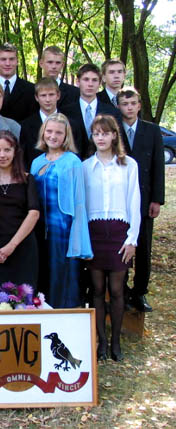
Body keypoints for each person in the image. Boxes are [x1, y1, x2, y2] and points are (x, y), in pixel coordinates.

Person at [82, 114, 140, 362]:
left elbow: (134, 201)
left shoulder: (129, 165)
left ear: (114, 135)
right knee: (96, 289)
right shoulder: (85, 167)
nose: (101, 138)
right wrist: (83, 240)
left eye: (105, 133)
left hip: (119, 232)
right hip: (94, 232)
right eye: (96, 133)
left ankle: (116, 342)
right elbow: (82, 204)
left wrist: (132, 238)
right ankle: (101, 342)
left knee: (116, 289)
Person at [30, 113, 93, 308]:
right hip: (38, 230)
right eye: (49, 131)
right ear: (43, 133)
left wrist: (80, 239)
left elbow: (79, 202)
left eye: (58, 132)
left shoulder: (72, 161)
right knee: (41, 276)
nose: (53, 136)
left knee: (62, 277)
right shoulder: (36, 162)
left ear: (66, 136)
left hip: (63, 231)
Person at [118, 87, 164, 312]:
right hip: (121, 198)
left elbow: (158, 165)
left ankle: (140, 292)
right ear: (119, 106)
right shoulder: (114, 130)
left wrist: (157, 199)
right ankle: (122, 290)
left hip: (145, 198)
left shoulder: (151, 131)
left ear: (139, 105)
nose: (129, 108)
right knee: (123, 244)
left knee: (143, 246)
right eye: (124, 104)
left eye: (133, 104)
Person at [0, 131, 40, 292]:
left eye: (7, 150)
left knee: (24, 299)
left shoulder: (27, 179)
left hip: (22, 247)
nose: (2, 155)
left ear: (15, 152)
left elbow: (34, 213)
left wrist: (12, 245)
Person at [20, 78, 84, 170]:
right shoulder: (26, 125)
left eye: (51, 95)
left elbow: (77, 154)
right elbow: (23, 158)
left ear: (58, 95)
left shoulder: (72, 125)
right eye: (43, 95)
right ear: (36, 98)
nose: (48, 99)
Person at [60, 63, 120, 159]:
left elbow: (117, 143)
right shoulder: (65, 112)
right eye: (86, 79)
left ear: (100, 83)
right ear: (78, 82)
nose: (90, 84)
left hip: (104, 162)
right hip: (73, 163)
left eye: (94, 80)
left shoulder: (112, 112)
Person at [0, 43, 38, 122]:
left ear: (17, 62)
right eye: (3, 59)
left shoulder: (31, 89)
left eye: (11, 59)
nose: (7, 63)